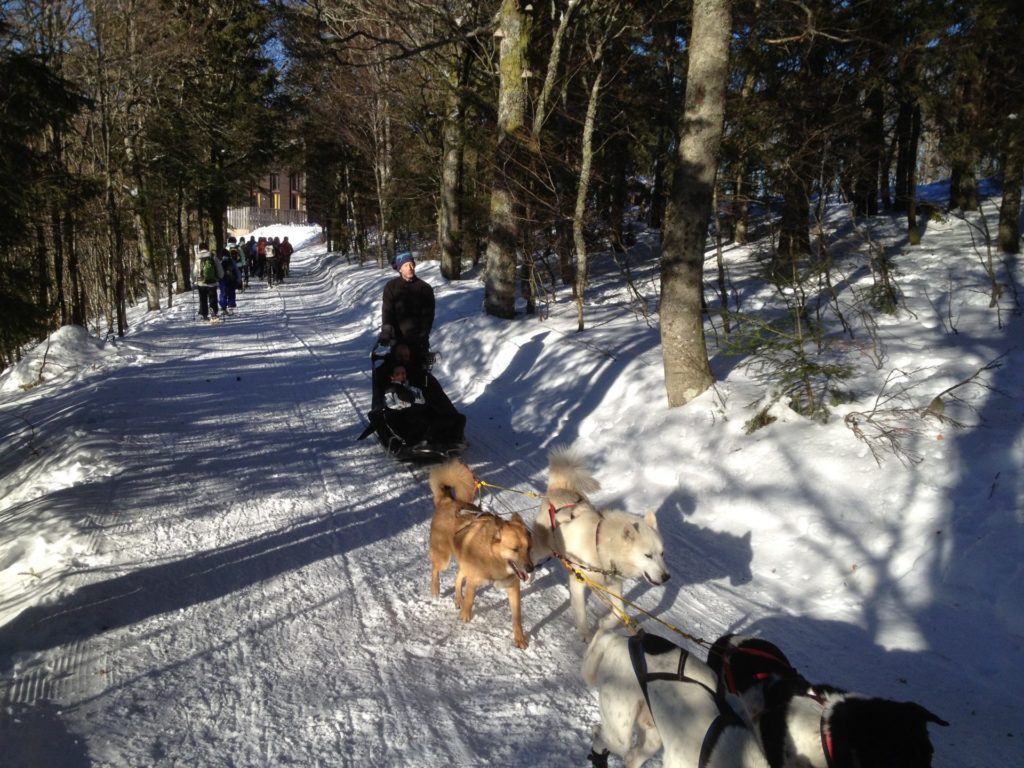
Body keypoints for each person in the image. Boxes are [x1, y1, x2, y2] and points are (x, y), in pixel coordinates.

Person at [378, 252, 435, 368]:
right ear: (400, 269)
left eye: (411, 264)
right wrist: (387, 329)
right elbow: (387, 311)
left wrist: (422, 336)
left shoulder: (425, 288)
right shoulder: (391, 287)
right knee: (396, 374)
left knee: (420, 376)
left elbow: (428, 317)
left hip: (418, 341)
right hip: (397, 340)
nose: (410, 268)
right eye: (405, 265)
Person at [193, 246, 223, 321]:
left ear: (200, 249)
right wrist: (220, 276)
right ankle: (214, 313)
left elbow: (195, 271)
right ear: (207, 248)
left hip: (201, 283)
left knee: (203, 299)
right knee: (213, 298)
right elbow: (219, 268)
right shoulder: (213, 256)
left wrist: (193, 279)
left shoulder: (198, 258)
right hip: (212, 282)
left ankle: (204, 314)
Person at [219, 247, 240, 314]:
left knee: (223, 294)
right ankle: (231, 307)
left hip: (223, 281)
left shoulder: (220, 262)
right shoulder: (232, 261)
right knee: (231, 293)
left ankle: (223, 307)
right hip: (232, 280)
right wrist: (238, 280)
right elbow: (237, 271)